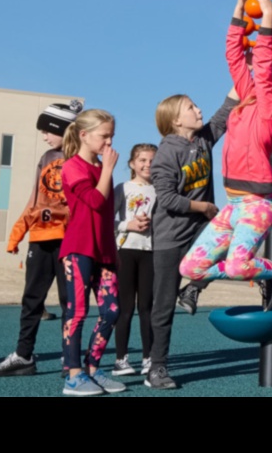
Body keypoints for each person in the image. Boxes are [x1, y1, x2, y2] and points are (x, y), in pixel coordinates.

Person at [178, 0, 272, 325]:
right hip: (234, 204)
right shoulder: (248, 97)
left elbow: (262, 61)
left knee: (238, 265)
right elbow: (233, 55)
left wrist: (268, 18)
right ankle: (202, 282)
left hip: (258, 204)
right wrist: (238, 10)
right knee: (190, 267)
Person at [145, 89, 236, 390]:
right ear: (175, 120)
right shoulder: (166, 154)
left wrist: (246, 70)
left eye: (196, 106)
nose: (198, 110)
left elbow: (225, 111)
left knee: (233, 239)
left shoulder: (203, 140)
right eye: (191, 107)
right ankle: (157, 367)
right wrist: (203, 207)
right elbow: (168, 199)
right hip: (170, 237)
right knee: (163, 306)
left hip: (199, 229)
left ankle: (193, 289)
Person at [0, 100, 80, 378]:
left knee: (70, 301)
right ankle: (23, 355)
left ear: (63, 129)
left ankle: (70, 357)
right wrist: (20, 229)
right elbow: (35, 199)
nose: (44, 136)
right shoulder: (46, 157)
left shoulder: (82, 159)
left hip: (70, 241)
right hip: (40, 239)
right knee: (32, 299)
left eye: (47, 130)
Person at [58, 108, 125, 396]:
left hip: (104, 250)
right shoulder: (72, 166)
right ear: (84, 135)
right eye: (104, 136)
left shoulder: (101, 167)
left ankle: (93, 370)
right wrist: (107, 169)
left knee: (112, 310)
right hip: (79, 248)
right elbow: (95, 202)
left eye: (112, 136)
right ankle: (74, 376)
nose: (109, 143)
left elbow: (106, 215)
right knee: (77, 311)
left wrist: (113, 249)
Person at [111, 143, 157, 376]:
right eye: (142, 160)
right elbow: (107, 221)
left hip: (150, 253)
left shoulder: (160, 190)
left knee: (147, 308)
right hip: (125, 252)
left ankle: (148, 358)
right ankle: (121, 359)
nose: (147, 164)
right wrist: (127, 225)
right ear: (132, 164)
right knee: (125, 308)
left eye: (152, 161)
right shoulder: (122, 188)